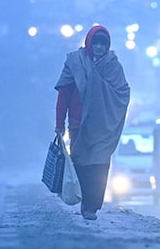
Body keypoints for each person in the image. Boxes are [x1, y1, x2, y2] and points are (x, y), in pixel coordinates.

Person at [54, 25, 130, 221]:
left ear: (108, 46)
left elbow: (123, 92)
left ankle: (92, 207)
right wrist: (59, 123)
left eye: (102, 44)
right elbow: (64, 96)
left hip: (104, 127)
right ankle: (84, 201)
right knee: (81, 164)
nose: (98, 47)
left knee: (100, 165)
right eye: (95, 43)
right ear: (88, 43)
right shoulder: (75, 63)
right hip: (79, 125)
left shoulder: (113, 66)